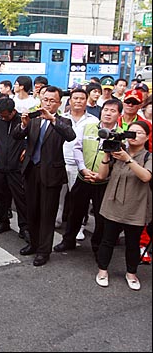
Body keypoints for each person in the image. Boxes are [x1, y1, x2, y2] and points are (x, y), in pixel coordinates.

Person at [13, 86, 76, 266]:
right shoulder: (34, 119)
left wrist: (53, 120)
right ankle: (33, 244)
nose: (47, 103)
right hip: (32, 169)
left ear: (59, 103)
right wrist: (23, 124)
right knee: (31, 210)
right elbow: (17, 135)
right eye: (45, 99)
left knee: (47, 213)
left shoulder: (63, 121)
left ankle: (43, 250)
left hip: (51, 173)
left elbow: (70, 136)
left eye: (52, 101)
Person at [54, 99, 123, 257]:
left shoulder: (121, 135)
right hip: (83, 177)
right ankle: (68, 240)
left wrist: (101, 174)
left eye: (113, 111)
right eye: (106, 109)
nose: (108, 113)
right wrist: (83, 169)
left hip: (104, 182)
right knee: (75, 211)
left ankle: (97, 245)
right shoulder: (89, 127)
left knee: (101, 216)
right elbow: (77, 148)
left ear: (119, 114)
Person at [94, 121, 152, 290]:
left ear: (147, 137)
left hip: (136, 207)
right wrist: (106, 155)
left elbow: (146, 177)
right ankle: (102, 270)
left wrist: (128, 160)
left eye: (139, 133)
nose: (134, 135)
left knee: (132, 243)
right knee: (107, 240)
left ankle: (131, 273)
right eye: (131, 132)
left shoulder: (148, 157)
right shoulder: (118, 152)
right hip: (113, 203)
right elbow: (102, 176)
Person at [0, 97, 30, 242]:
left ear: (13, 112)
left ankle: (24, 227)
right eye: (1, 115)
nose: (3, 118)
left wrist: (26, 149)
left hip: (16, 166)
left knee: (20, 198)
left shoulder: (22, 121)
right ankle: (3, 221)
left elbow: (31, 137)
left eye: (6, 115)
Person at [55, 88, 99, 232]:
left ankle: (79, 227)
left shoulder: (93, 121)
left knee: (78, 199)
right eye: (75, 98)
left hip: (80, 165)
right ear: (70, 100)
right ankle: (57, 220)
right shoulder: (61, 118)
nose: (78, 101)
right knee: (58, 197)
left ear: (87, 101)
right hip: (60, 162)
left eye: (82, 99)